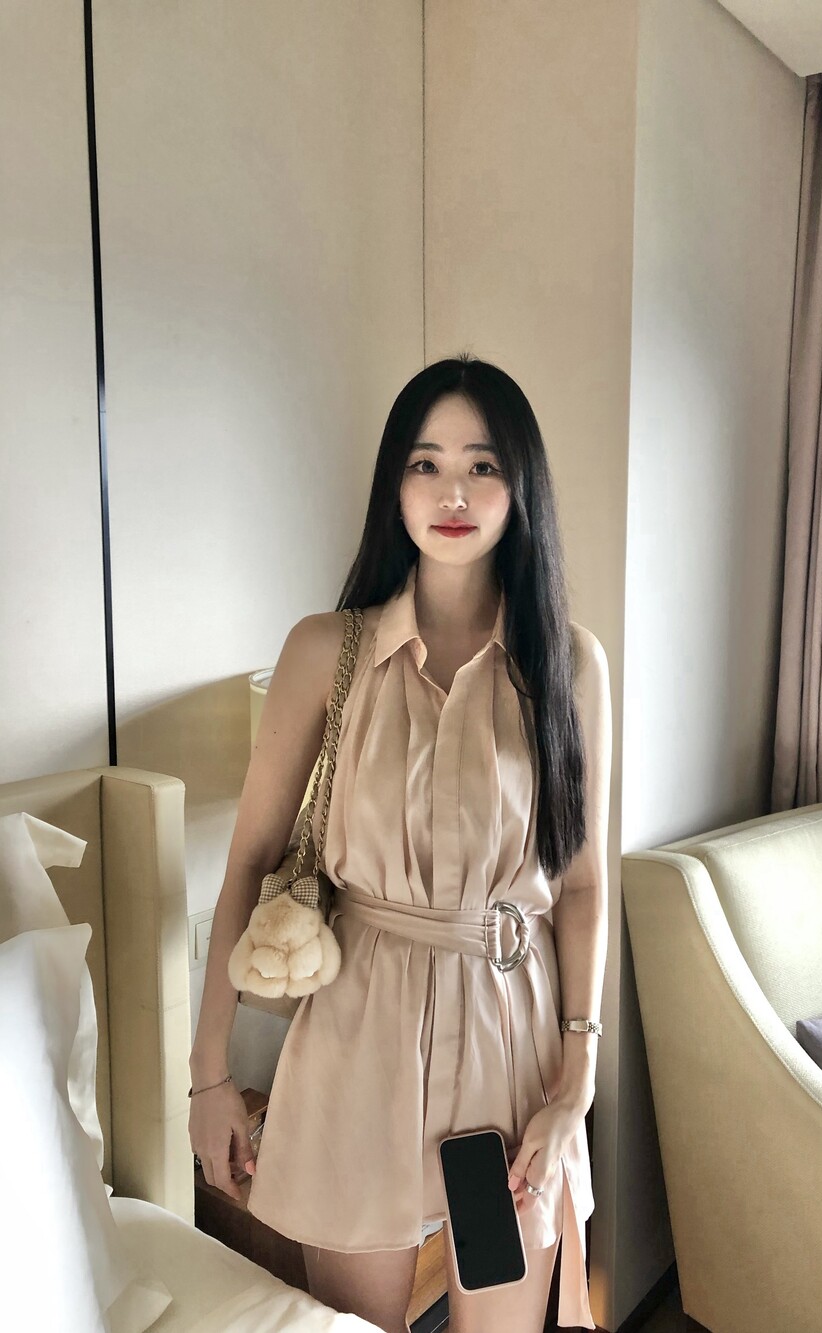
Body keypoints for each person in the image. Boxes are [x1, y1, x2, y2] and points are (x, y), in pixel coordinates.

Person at [188, 355, 612, 1333]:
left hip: (508, 1046)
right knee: (352, 1325)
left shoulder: (568, 666)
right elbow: (248, 860)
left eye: (482, 465)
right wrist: (210, 1073)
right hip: (359, 1040)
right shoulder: (323, 652)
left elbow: (584, 885)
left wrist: (575, 1079)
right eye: (426, 463)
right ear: (394, 485)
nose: (452, 492)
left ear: (521, 486)